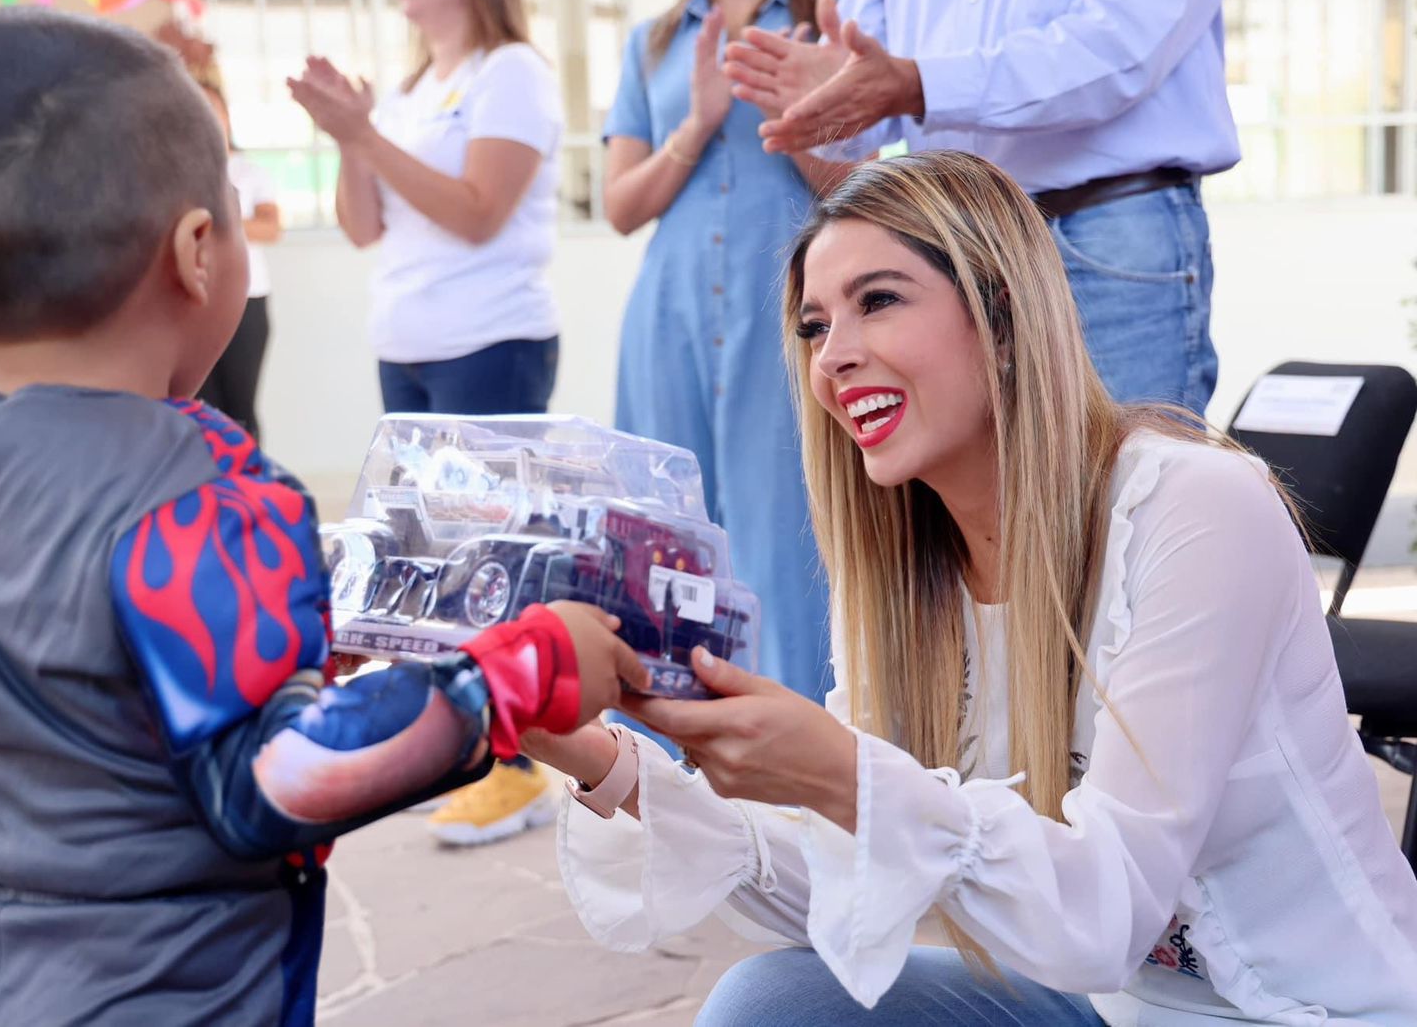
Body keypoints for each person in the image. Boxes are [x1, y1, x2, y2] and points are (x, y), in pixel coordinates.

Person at [0, 9, 646, 1026]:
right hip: (177, 995)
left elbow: (79, 669)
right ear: (198, 250)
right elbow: (282, 779)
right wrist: (522, 669)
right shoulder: (210, 495)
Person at [527, 152, 1417, 1025]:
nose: (833, 357)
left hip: (1311, 1010)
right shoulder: (904, 573)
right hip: (1111, 1011)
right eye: (812, 327)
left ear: (1001, 316)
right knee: (772, 1003)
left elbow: (1108, 916)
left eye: (877, 301)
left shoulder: (1196, 509)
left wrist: (844, 774)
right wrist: (601, 759)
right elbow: (844, 898)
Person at [288, 0, 566, 847]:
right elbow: (364, 226)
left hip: (490, 343)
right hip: (407, 347)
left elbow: (480, 212)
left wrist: (363, 135)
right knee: (423, 565)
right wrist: (349, 138)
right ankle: (466, 750)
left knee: (486, 558)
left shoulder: (511, 73)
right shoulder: (413, 89)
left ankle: (520, 767)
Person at [720, 0, 1239, 416]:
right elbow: (874, 93)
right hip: (956, 244)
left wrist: (917, 84)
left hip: (1102, 229)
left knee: (1125, 492)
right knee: (990, 505)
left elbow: (1127, 42)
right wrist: (828, 97)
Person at [601, 0, 848, 710]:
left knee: (787, 538)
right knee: (659, 541)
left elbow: (864, 187)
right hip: (669, 317)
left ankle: (795, 748)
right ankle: (661, 761)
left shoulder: (831, 17)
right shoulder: (651, 43)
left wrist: (791, 121)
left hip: (785, 312)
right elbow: (619, 205)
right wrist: (697, 124)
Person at [196, 82, 281, 443]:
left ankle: (249, 494)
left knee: (240, 410)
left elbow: (271, 227)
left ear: (227, 117)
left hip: (247, 301)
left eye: (213, 109)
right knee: (201, 409)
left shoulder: (250, 172)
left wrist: (211, 222)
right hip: (193, 304)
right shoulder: (171, 172)